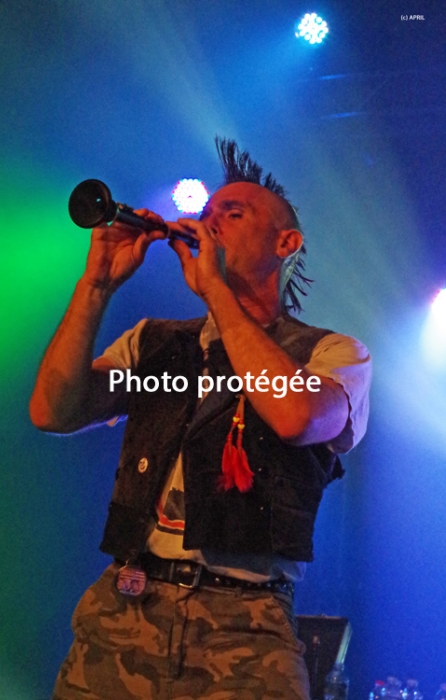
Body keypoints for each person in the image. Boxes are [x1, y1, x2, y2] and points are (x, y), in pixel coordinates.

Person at [30, 138, 371, 700]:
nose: (209, 223)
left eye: (232, 215)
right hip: (123, 613)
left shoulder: (332, 353)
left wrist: (215, 290)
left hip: (245, 629)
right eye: (207, 213)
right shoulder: (155, 342)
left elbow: (295, 416)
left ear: (286, 243)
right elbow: (52, 410)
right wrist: (95, 288)